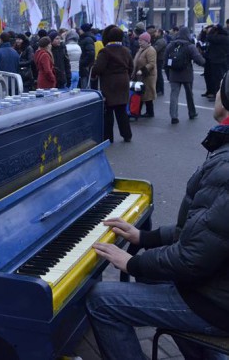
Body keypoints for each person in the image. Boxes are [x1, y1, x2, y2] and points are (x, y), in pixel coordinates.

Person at [86, 75, 229, 360]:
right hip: (216, 288)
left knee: (101, 299)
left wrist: (131, 262)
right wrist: (145, 237)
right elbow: (204, 233)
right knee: (152, 277)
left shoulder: (225, 166)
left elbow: (192, 258)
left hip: (214, 303)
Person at [92, 25, 133, 143]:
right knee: (121, 110)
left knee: (108, 111)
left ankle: (108, 137)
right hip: (123, 81)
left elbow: (98, 68)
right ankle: (127, 135)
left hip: (109, 83)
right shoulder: (126, 51)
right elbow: (131, 67)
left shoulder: (105, 51)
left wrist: (93, 71)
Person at [164, 26, 205, 124]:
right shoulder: (190, 46)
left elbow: (165, 61)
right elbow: (199, 59)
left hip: (174, 74)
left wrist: (168, 74)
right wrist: (205, 62)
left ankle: (174, 116)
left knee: (174, 95)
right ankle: (192, 112)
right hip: (187, 74)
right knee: (189, 94)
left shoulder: (170, 45)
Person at [131, 31, 157, 117]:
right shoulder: (141, 49)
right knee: (141, 94)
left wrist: (142, 70)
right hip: (141, 75)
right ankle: (137, 112)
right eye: (139, 40)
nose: (139, 42)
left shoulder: (151, 50)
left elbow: (151, 64)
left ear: (146, 41)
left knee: (147, 94)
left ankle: (149, 112)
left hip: (148, 76)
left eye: (141, 40)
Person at [78, 23, 95, 88]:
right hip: (85, 65)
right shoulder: (85, 38)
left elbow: (91, 53)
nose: (79, 31)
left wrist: (83, 62)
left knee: (85, 84)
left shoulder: (87, 39)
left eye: (80, 29)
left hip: (85, 66)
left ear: (83, 30)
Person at [152, 28, 167, 96]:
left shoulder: (161, 41)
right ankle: (159, 89)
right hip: (159, 58)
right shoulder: (159, 40)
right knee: (158, 74)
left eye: (156, 32)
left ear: (160, 33)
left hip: (159, 59)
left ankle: (160, 89)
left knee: (159, 74)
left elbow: (155, 49)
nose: (155, 33)